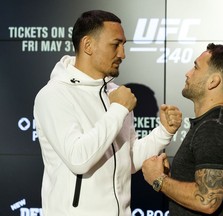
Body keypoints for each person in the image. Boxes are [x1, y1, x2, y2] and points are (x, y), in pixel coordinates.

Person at [33, 10, 182, 216]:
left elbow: (127, 160)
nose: (122, 54)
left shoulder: (113, 93)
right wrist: (118, 109)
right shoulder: (54, 95)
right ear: (88, 45)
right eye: (116, 44)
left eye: (124, 45)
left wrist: (164, 132)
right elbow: (78, 160)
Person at [142, 43, 223, 216]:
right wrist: (169, 177)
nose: (188, 73)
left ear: (213, 81)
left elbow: (207, 200)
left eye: (196, 67)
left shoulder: (213, 128)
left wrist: (158, 179)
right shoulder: (212, 124)